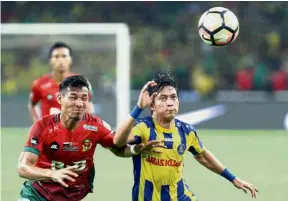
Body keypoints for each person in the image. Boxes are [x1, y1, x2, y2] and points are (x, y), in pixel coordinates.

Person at [113, 72, 259, 201]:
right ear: (152, 105)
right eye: (163, 98)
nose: (170, 103)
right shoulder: (143, 127)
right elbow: (118, 141)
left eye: (173, 97)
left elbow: (203, 155)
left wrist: (233, 178)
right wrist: (138, 107)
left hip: (179, 196)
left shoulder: (186, 131)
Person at [18, 75, 164, 201]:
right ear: (60, 98)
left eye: (84, 98)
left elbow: (118, 148)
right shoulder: (42, 126)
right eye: (73, 97)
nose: (80, 103)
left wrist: (135, 149)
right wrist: (52, 174)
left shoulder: (95, 126)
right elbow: (23, 167)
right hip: (38, 194)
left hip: (73, 196)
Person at [28, 42, 94, 122]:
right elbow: (32, 105)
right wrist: (38, 122)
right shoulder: (39, 83)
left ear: (70, 59)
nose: (60, 60)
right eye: (56, 57)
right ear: (50, 60)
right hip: (48, 133)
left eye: (64, 56)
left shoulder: (81, 82)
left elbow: (88, 106)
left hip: (72, 132)